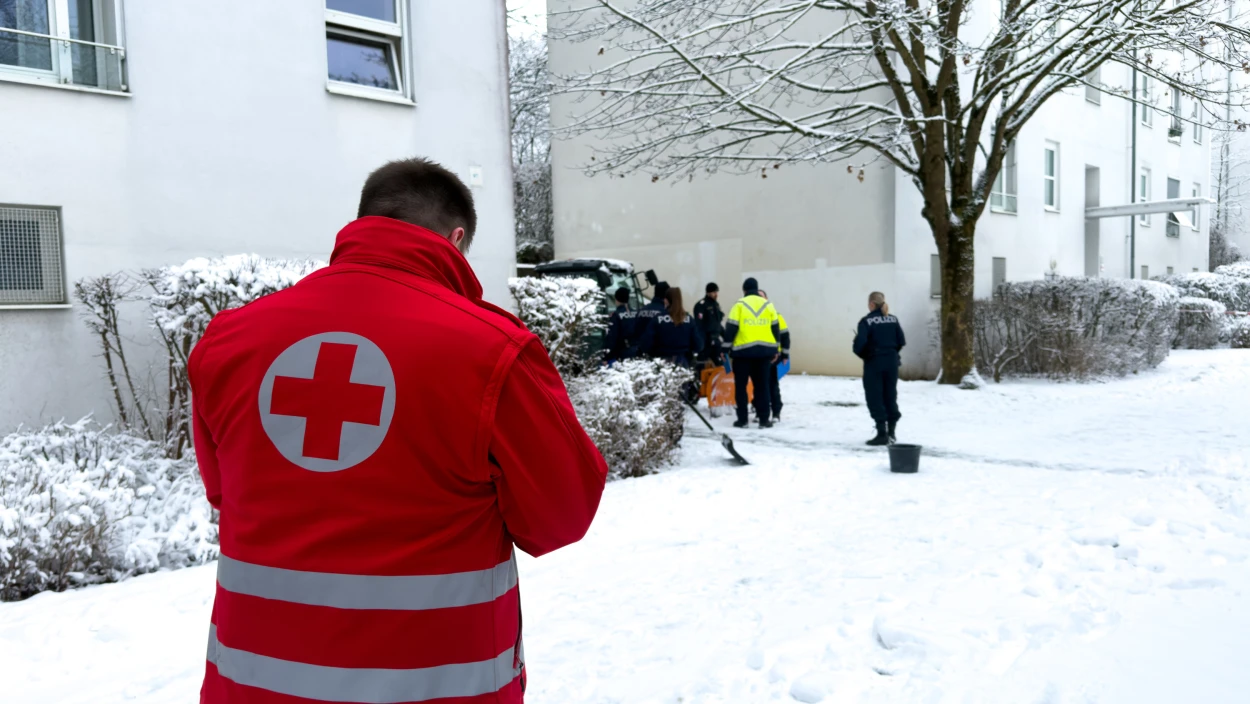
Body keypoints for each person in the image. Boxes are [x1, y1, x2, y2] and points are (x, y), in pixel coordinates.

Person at [188, 158, 609, 704]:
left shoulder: (229, 340)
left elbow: (227, 491)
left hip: (253, 683)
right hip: (434, 685)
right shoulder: (491, 352)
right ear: (456, 239)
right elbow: (559, 517)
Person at [724, 277, 781, 429]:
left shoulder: (739, 305)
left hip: (742, 354)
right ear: (757, 289)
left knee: (741, 387)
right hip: (764, 354)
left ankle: (742, 420)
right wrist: (776, 349)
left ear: (744, 290)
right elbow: (776, 328)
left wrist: (724, 348)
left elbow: (731, 328)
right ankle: (764, 419)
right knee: (762, 387)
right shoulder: (768, 305)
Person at [853, 290, 906, 446]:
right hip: (891, 363)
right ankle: (892, 432)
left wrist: (865, 355)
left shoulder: (866, 321)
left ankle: (882, 433)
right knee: (890, 395)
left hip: (874, 363)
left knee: (875, 396)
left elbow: (859, 345)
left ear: (871, 304)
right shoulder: (893, 319)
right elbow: (901, 341)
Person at [758, 289, 790, 422]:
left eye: (762, 297)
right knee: (759, 385)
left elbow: (785, 335)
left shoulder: (776, 315)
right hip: (757, 356)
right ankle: (760, 411)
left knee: (771, 384)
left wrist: (785, 354)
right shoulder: (753, 318)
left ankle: (776, 411)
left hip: (772, 356)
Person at [651, 286, 704, 367]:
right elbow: (698, 345)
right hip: (682, 362)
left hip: (662, 362)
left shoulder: (657, 319)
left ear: (666, 301)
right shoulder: (688, 319)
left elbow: (646, 344)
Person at [630, 280, 670, 358]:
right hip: (659, 355)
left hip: (640, 353)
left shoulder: (642, 310)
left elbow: (634, 330)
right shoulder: (665, 313)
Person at [693, 282, 725, 364]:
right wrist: (701, 343)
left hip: (716, 340)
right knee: (701, 365)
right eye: (714, 292)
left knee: (722, 365)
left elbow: (717, 324)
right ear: (708, 293)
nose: (716, 294)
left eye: (716, 292)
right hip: (706, 341)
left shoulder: (716, 305)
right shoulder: (701, 305)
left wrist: (726, 336)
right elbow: (699, 325)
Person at [605, 286, 635, 362]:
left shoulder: (616, 316)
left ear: (617, 299)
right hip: (637, 351)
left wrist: (606, 357)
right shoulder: (636, 313)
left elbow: (612, 338)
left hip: (622, 353)